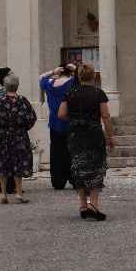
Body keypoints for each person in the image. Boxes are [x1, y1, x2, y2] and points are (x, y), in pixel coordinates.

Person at [58, 63, 115, 220]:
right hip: (94, 133)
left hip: (76, 134)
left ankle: (83, 205)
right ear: (94, 76)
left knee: (78, 167)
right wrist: (110, 136)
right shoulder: (98, 93)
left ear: (78, 76)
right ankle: (94, 204)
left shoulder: (70, 93)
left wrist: (76, 119)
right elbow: (105, 115)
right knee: (96, 166)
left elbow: (61, 114)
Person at [0, 74, 37, 203]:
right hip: (19, 137)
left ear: (5, 86)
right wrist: (24, 128)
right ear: (17, 86)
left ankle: (3, 194)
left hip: (3, 137)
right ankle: (19, 193)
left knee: (2, 164)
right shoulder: (23, 101)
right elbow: (32, 117)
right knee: (19, 163)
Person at [39, 64, 75, 189]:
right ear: (70, 72)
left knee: (56, 152)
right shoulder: (72, 82)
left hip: (54, 122)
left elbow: (41, 78)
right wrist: (74, 68)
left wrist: (52, 71)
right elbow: (83, 77)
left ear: (59, 72)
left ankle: (58, 181)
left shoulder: (49, 84)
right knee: (71, 151)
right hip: (69, 121)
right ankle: (74, 178)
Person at [0, 67, 15, 194]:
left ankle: (3, 185)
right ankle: (11, 185)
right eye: (10, 74)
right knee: (11, 157)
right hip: (9, 130)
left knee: (2, 157)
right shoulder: (6, 94)